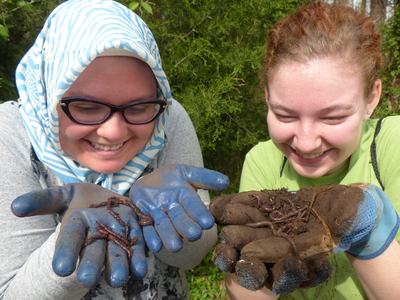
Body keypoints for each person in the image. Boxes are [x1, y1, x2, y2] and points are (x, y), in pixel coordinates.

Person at [0, 0, 228, 299]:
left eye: (138, 106)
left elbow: (190, 257)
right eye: (86, 106)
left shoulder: (167, 119)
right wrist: (76, 238)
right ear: (49, 92)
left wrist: (172, 219)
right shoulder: (10, 134)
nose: (114, 131)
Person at [226, 2, 400, 299]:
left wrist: (369, 234)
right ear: (267, 99)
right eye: (285, 115)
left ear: (372, 98)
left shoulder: (393, 144)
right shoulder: (262, 160)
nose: (306, 143)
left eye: (333, 117)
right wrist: (250, 272)